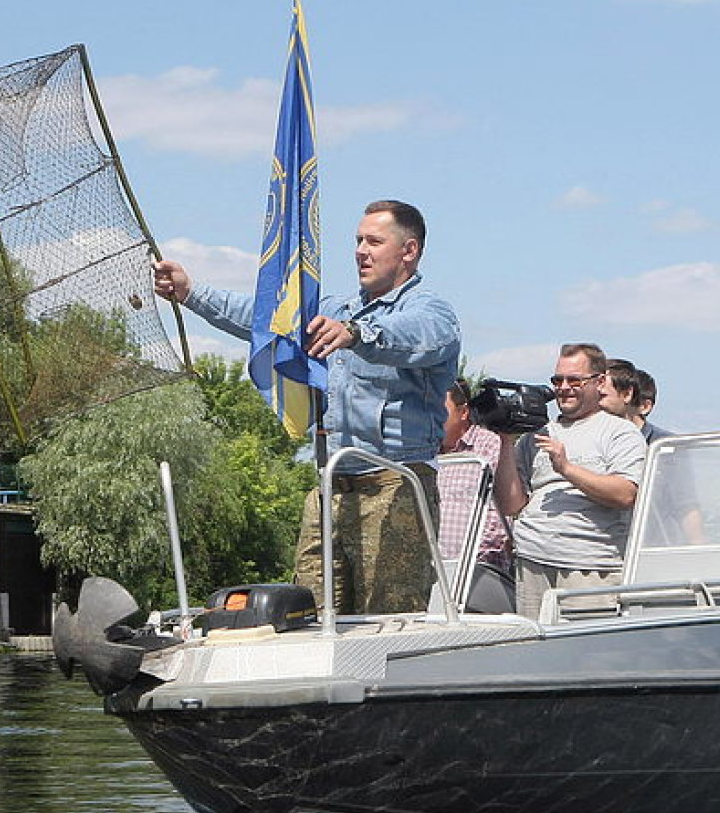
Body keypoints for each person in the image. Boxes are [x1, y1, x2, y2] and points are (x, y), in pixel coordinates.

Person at [153, 199, 460, 614]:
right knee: (309, 612)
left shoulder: (431, 311)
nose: (360, 251)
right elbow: (267, 320)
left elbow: (415, 336)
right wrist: (192, 293)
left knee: (388, 618)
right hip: (330, 490)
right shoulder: (335, 310)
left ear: (409, 251)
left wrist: (356, 333)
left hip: (394, 488)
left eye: (373, 241)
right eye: (357, 241)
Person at [494, 343, 648, 619]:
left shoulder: (620, 433)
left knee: (588, 658)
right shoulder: (536, 434)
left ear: (599, 382)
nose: (563, 387)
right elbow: (510, 505)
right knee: (534, 655)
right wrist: (506, 439)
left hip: (589, 567)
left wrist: (567, 469)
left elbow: (626, 495)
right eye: (557, 380)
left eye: (574, 380)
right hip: (532, 561)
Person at [600, 359, 704, 544]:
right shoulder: (592, 441)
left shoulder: (667, 448)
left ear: (643, 405)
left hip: (650, 549)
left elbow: (686, 506)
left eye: (603, 396)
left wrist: (701, 551)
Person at [437, 378, 512, 574]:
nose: (434, 417)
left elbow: (501, 513)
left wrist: (471, 559)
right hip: (432, 571)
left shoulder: (491, 446)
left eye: (440, 410)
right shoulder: (424, 452)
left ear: (463, 412)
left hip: (479, 572)